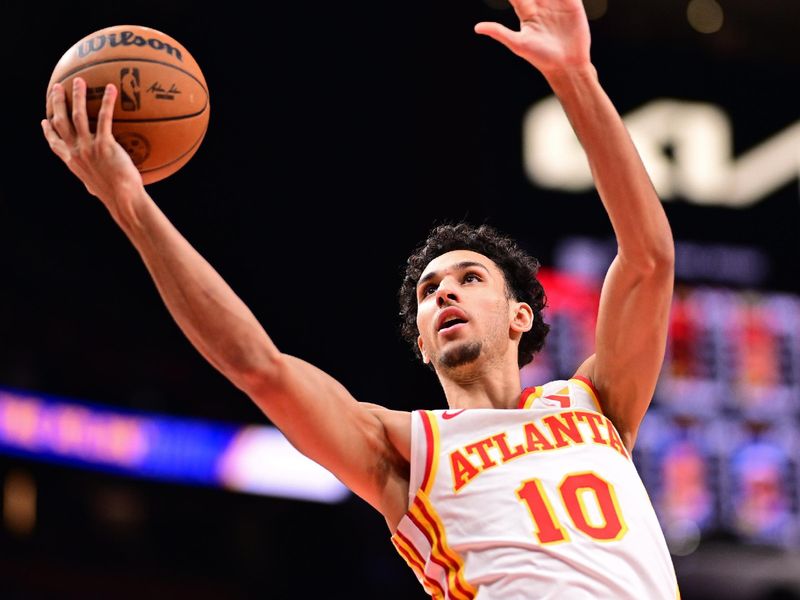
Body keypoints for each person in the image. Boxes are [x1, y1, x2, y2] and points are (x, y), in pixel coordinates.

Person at [41, 0, 679, 597]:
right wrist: (131, 205)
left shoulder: (593, 403)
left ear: (520, 318)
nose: (444, 292)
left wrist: (575, 75)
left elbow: (648, 261)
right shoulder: (401, 450)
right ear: (424, 345)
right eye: (430, 292)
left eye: (469, 278)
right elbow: (257, 366)